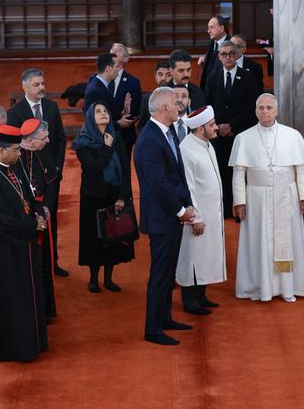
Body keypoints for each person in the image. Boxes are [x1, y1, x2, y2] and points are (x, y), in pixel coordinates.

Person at [0, 125, 48, 362]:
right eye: (16, 150)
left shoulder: (11, 169)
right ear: (1, 150)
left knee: (23, 297)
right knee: (8, 300)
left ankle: (30, 343)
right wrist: (31, 225)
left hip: (18, 246)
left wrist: (36, 214)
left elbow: (27, 197)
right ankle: (11, 349)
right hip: (1, 251)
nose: (19, 154)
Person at [230, 93, 304, 303]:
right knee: (259, 241)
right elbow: (239, 173)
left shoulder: (292, 135)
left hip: (287, 196)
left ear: (276, 110)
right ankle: (261, 287)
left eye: (268, 108)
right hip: (257, 199)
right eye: (261, 108)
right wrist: (239, 200)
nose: (265, 111)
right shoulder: (243, 138)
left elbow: (301, 169)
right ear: (255, 110)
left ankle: (287, 287)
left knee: (288, 241)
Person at [134, 87, 195, 345]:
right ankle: (153, 329)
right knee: (160, 274)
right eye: (175, 101)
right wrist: (181, 210)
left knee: (168, 272)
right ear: (163, 108)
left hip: (171, 215)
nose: (180, 103)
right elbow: (158, 183)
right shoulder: (149, 139)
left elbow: (176, 176)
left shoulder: (166, 132)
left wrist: (187, 205)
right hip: (162, 217)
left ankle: (165, 318)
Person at [7, 68, 69, 277]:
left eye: (42, 83)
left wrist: (57, 167)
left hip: (51, 176)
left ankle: (53, 262)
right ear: (25, 87)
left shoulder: (51, 107)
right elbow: (13, 145)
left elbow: (60, 139)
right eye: (36, 84)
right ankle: (32, 261)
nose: (42, 88)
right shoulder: (15, 113)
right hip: (27, 177)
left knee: (51, 217)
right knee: (32, 217)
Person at [73, 103, 135, 293]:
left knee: (113, 237)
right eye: (98, 111)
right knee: (94, 238)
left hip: (113, 194)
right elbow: (94, 168)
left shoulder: (115, 138)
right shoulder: (83, 143)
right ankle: (93, 279)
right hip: (93, 196)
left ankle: (109, 278)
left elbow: (125, 170)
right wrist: (107, 148)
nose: (103, 114)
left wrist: (123, 197)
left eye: (105, 111)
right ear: (91, 117)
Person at [176, 106, 226, 315]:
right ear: (199, 128)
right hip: (198, 216)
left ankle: (201, 294)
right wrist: (194, 217)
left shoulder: (205, 143)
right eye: (212, 125)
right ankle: (190, 300)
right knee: (194, 256)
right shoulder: (187, 149)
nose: (216, 127)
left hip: (212, 213)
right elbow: (189, 187)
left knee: (207, 255)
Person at [205, 40, 260, 218]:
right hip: (218, 135)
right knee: (221, 172)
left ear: (236, 54)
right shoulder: (212, 77)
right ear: (219, 57)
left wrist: (232, 126)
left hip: (241, 133)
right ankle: (225, 209)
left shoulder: (248, 77)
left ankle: (240, 210)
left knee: (241, 173)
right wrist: (217, 127)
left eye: (231, 53)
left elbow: (251, 107)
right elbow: (208, 105)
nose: (228, 57)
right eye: (224, 54)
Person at [19, 119, 59, 317]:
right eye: (44, 138)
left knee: (43, 260)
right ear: (31, 140)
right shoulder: (15, 155)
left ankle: (45, 307)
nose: (47, 140)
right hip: (25, 215)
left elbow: (52, 181)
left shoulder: (43, 152)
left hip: (43, 211)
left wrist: (46, 207)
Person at [109, 43, 143, 162]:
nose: (113, 51)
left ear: (125, 59)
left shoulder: (133, 82)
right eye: (112, 50)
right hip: (102, 133)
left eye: (118, 50)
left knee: (123, 171)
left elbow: (136, 109)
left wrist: (126, 114)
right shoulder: (100, 79)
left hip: (123, 136)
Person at [197, 15, 230, 91]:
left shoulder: (231, 44)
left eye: (211, 27)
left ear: (221, 28)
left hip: (222, 89)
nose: (208, 31)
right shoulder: (211, 43)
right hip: (208, 88)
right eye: (208, 28)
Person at [138, 61, 172, 131]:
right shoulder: (146, 99)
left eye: (168, 75)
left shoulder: (178, 97)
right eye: (160, 74)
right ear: (155, 76)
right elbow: (142, 126)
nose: (163, 78)